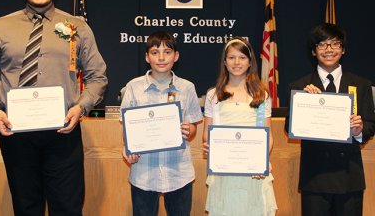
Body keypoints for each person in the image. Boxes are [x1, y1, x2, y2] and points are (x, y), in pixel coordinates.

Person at [0, 0, 107, 215]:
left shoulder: (77, 27)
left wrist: (81, 107)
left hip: (63, 131)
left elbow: (97, 76)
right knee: (26, 207)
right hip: (14, 132)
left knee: (67, 207)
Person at [285, 23, 375, 216]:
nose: (329, 50)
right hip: (315, 177)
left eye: (334, 44)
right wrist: (305, 104)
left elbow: (370, 124)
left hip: (349, 176)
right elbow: (289, 127)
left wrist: (359, 131)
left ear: (342, 50)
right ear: (313, 51)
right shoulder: (301, 86)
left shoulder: (361, 84)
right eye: (322, 45)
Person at [120, 31, 202, 216]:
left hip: (178, 172)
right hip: (144, 173)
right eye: (155, 52)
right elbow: (127, 127)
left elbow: (194, 126)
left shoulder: (187, 88)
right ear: (147, 57)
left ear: (176, 56)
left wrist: (190, 130)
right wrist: (129, 148)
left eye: (167, 51)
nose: (161, 57)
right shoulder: (133, 87)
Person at [202, 37, 277, 216]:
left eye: (242, 57)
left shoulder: (261, 95)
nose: (237, 62)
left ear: (250, 62)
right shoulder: (213, 95)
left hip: (254, 172)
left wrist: (262, 162)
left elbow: (268, 135)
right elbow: (206, 134)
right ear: (225, 62)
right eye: (231, 57)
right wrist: (209, 145)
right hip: (224, 172)